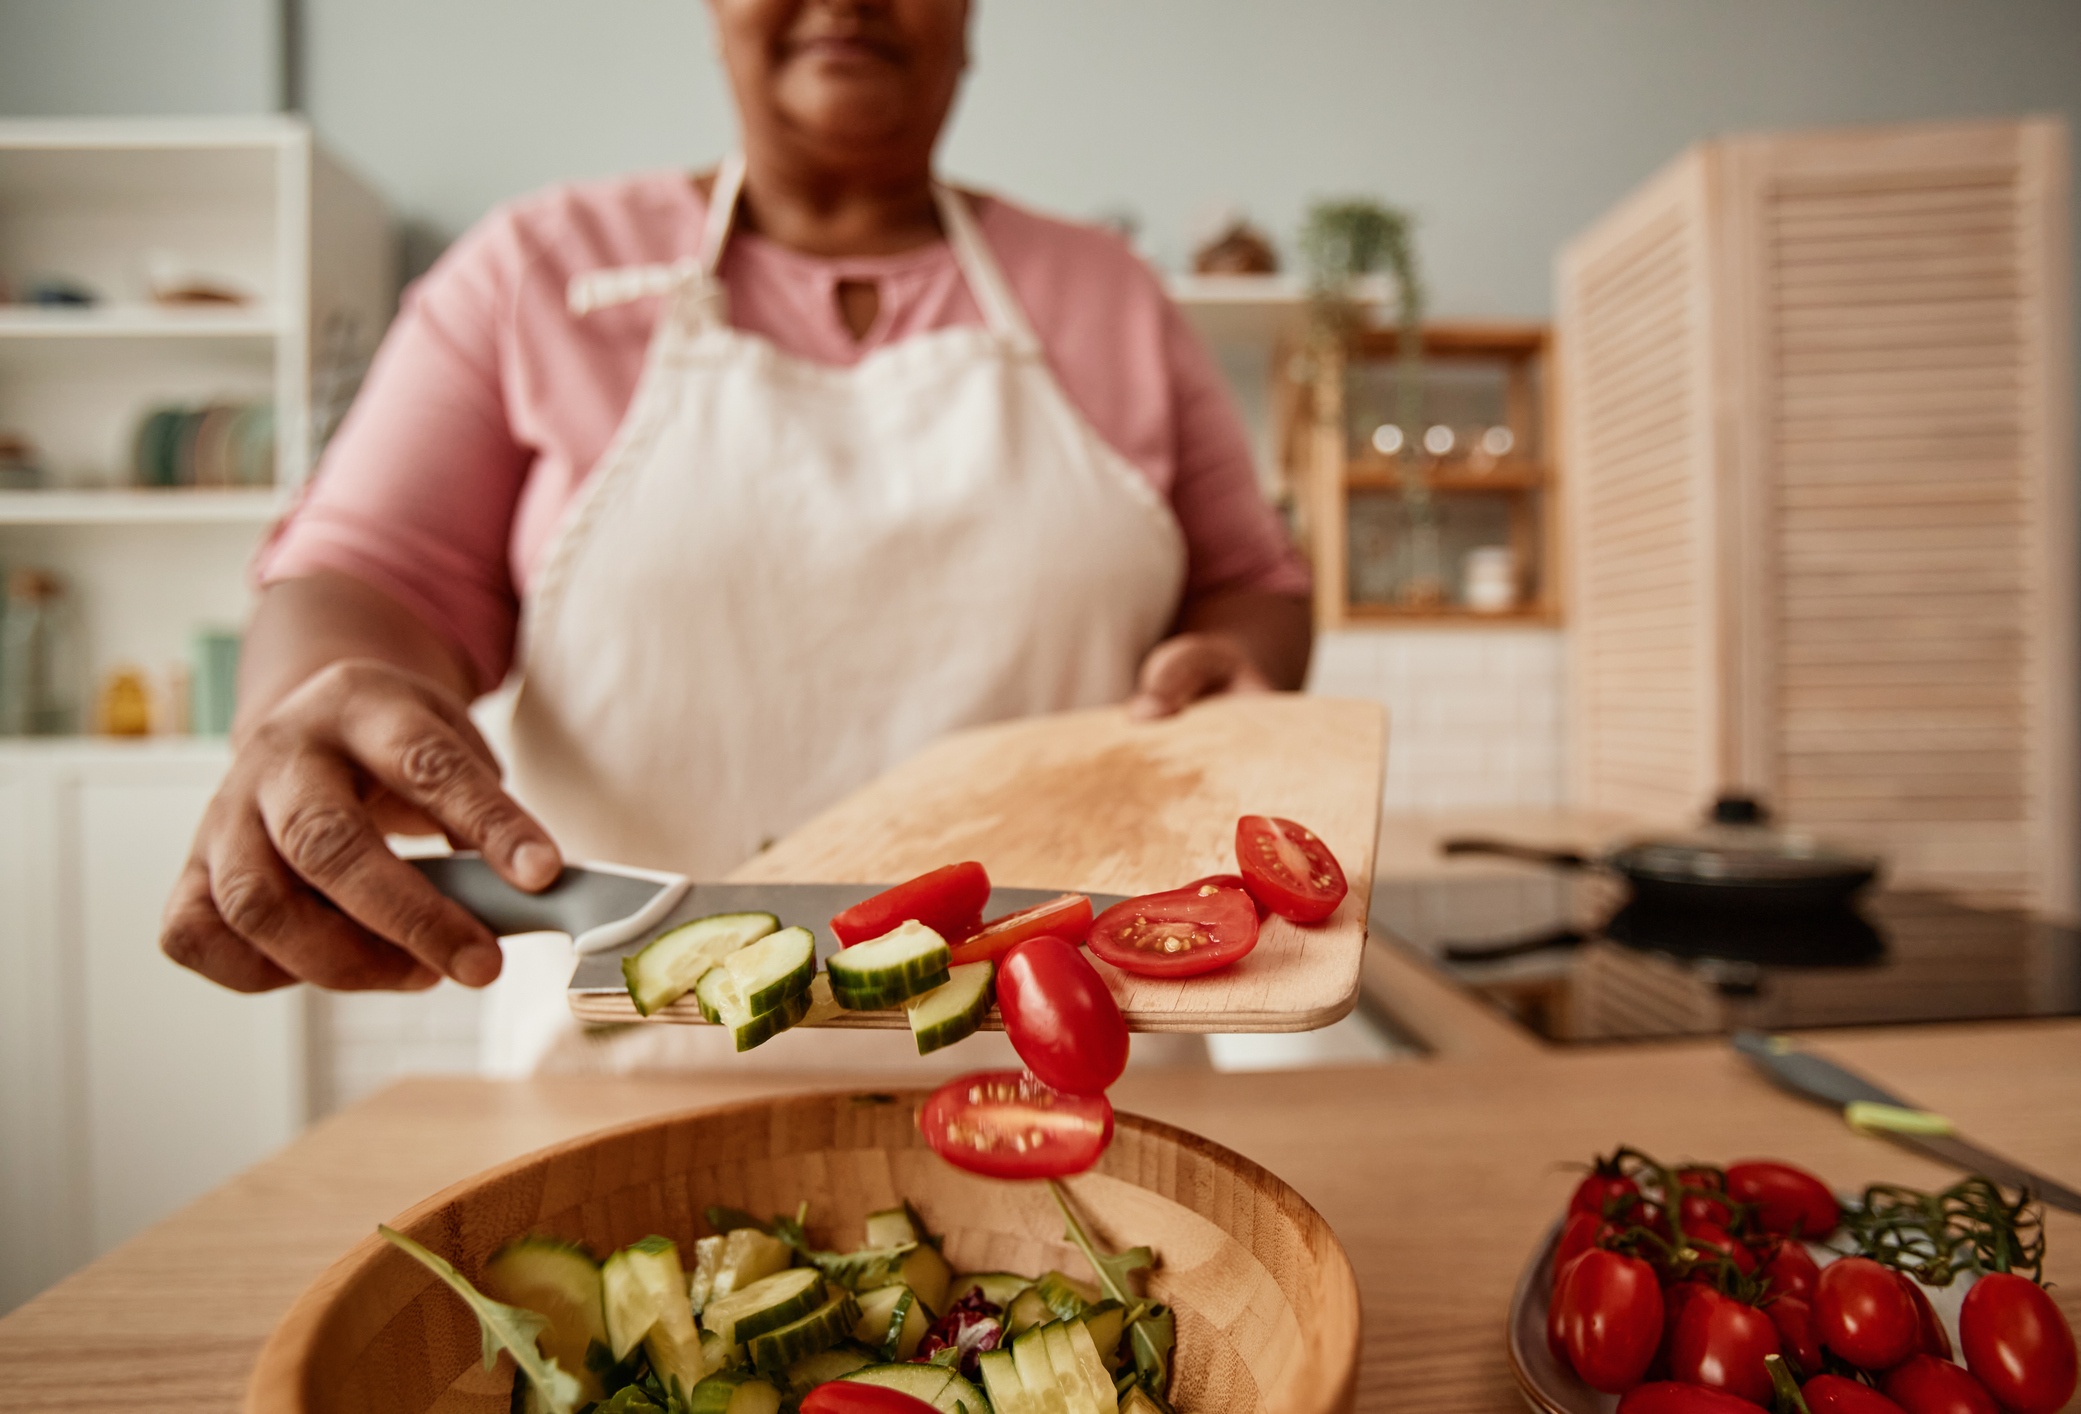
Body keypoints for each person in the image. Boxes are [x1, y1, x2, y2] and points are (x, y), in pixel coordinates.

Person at [159, 0, 1310, 1067]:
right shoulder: (534, 273)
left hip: (1080, 1076)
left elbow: (1252, 586)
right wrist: (314, 707)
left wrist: (1238, 661)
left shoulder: (1108, 293)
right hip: (630, 1087)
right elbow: (369, 579)